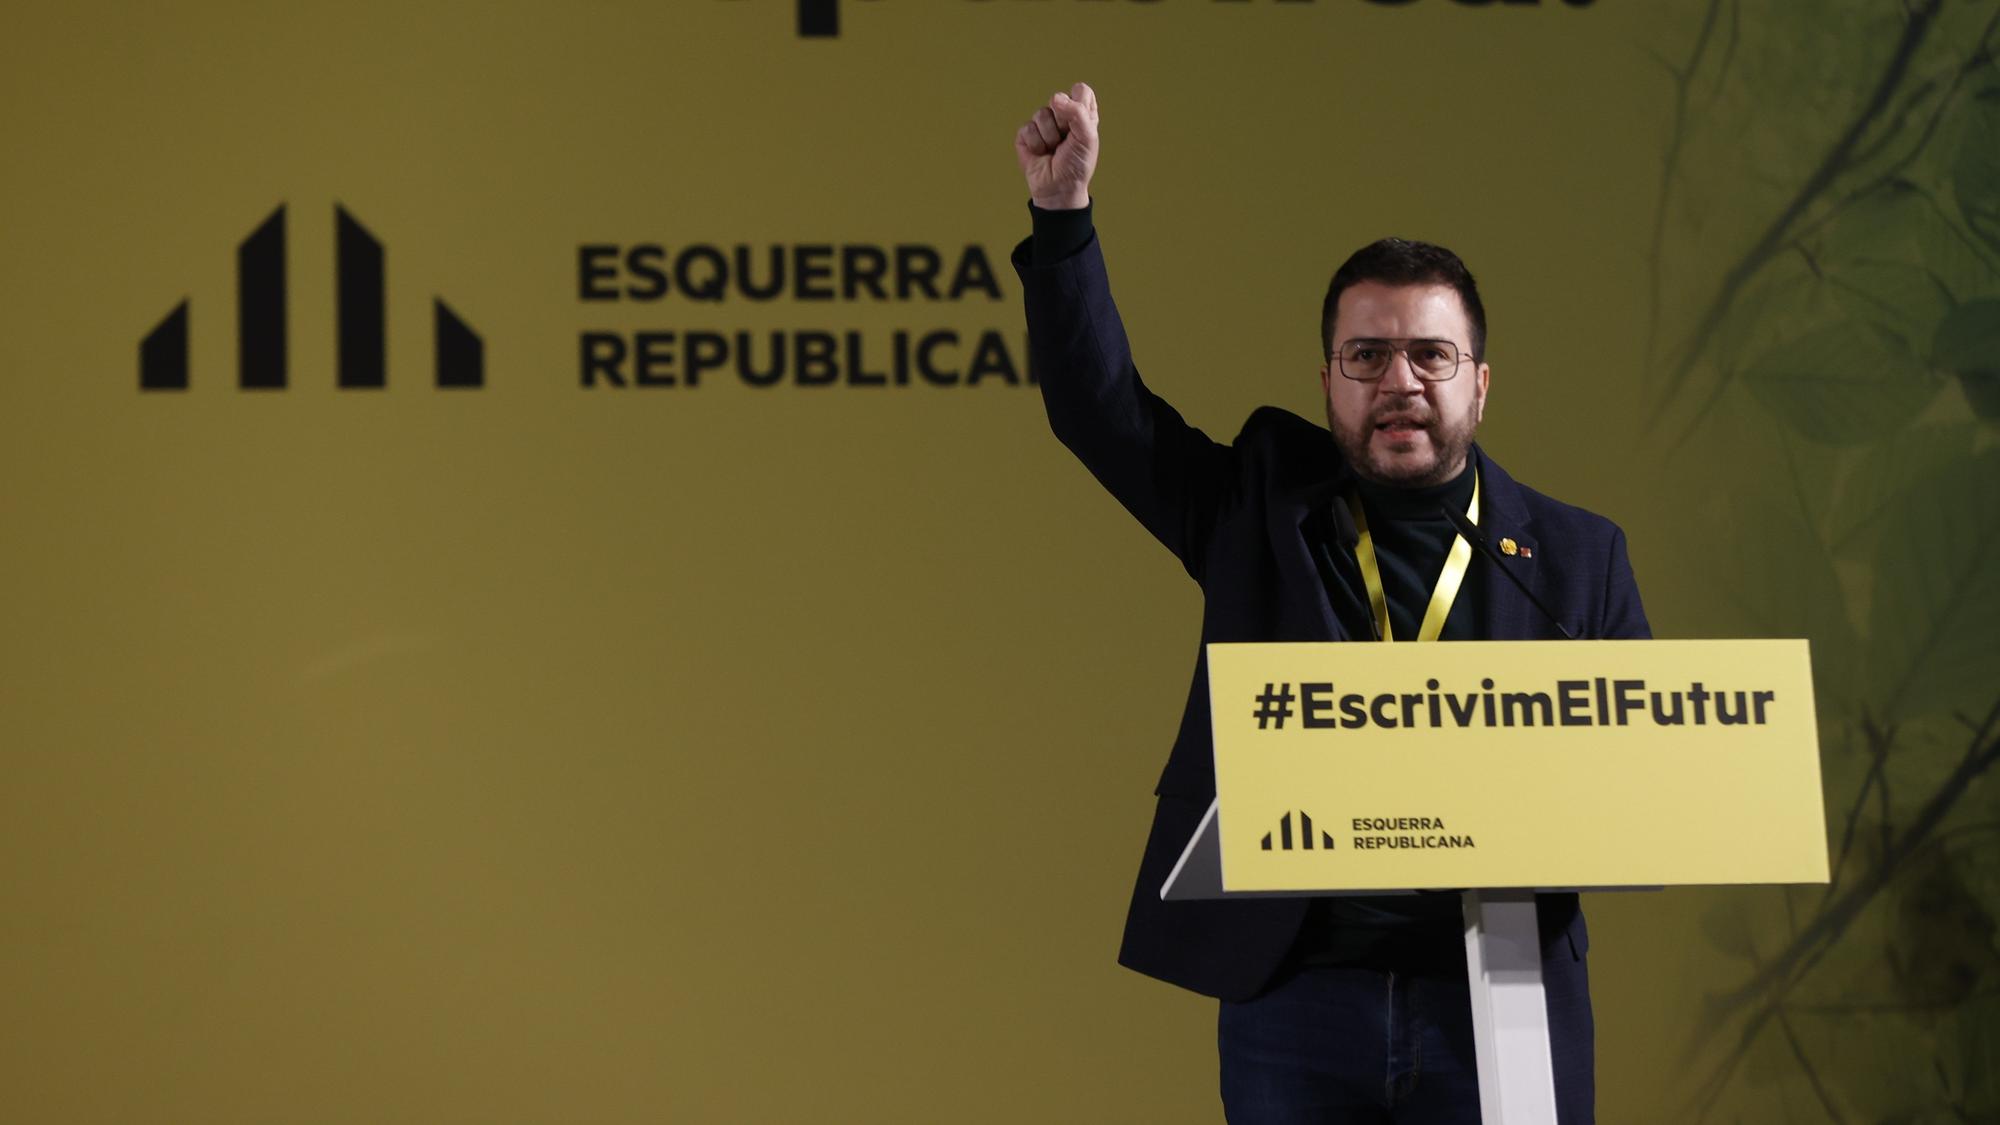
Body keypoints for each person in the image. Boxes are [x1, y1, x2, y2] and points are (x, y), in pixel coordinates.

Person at [1011, 82, 1649, 1124]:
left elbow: (1645, 789)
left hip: (1496, 998)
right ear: (1327, 381)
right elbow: (1100, 412)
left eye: (1428, 355)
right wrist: (1063, 218)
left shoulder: (1579, 557)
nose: (1398, 379)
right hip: (1296, 999)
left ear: (1477, 385)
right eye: (1366, 356)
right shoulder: (1256, 501)